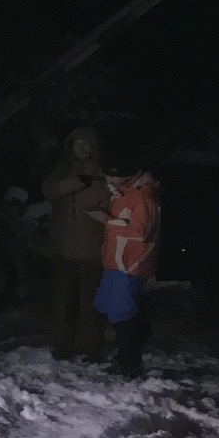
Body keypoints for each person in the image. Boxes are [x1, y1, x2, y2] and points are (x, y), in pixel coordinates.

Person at [41, 126, 110, 361]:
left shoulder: (104, 172)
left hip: (93, 250)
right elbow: (49, 190)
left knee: (90, 306)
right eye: (77, 143)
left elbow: (105, 200)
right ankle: (61, 348)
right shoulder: (62, 170)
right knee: (63, 304)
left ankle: (90, 350)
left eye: (86, 143)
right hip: (63, 249)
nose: (82, 148)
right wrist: (79, 180)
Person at [90, 153, 161, 376]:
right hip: (118, 263)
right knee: (111, 306)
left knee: (123, 312)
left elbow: (140, 232)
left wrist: (107, 220)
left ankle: (130, 363)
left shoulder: (143, 198)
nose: (108, 181)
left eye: (111, 176)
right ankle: (129, 354)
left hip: (130, 265)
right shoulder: (125, 194)